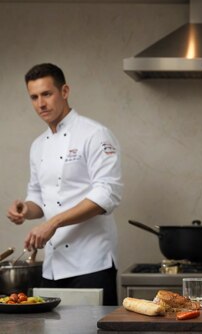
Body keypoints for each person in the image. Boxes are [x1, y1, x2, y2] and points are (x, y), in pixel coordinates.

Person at [6, 63, 122, 306]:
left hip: (92, 263)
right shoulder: (38, 145)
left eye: (47, 94)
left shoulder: (95, 134)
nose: (41, 104)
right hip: (53, 267)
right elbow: (37, 196)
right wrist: (26, 209)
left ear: (65, 91)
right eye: (34, 97)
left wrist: (53, 223)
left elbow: (106, 194)